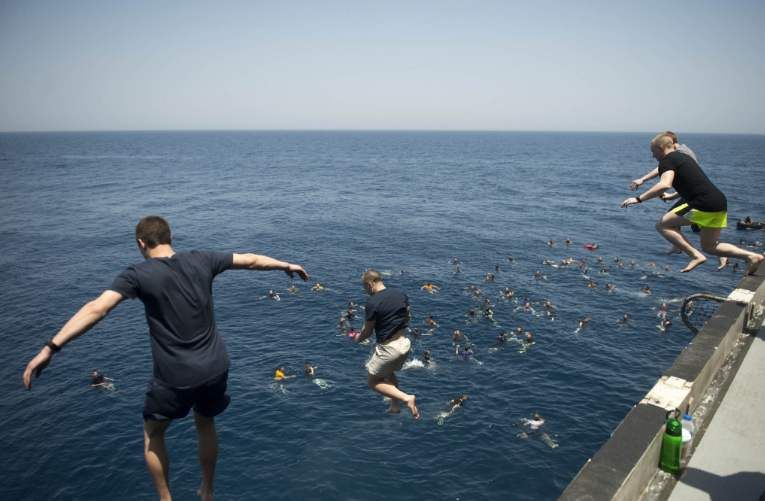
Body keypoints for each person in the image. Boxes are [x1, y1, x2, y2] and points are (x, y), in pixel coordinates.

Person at [22, 216, 308, 501]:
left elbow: (97, 308)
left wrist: (51, 347)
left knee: (154, 433)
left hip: (177, 374)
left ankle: (165, 499)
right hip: (216, 365)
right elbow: (251, 260)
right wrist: (286, 264)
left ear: (141, 243)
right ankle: (207, 490)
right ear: (170, 237)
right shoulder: (203, 259)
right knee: (206, 422)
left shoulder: (137, 274)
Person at [622, 133, 763, 274]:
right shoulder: (683, 157)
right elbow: (688, 181)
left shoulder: (667, 160)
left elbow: (665, 184)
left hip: (702, 204)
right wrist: (657, 188)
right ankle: (751, 256)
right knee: (710, 246)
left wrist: (639, 199)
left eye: (653, 152)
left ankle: (695, 256)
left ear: (660, 148)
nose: (653, 156)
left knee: (662, 225)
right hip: (719, 202)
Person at [353, 269, 420, 420]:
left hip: (389, 348)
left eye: (365, 288)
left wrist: (358, 337)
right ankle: (394, 405)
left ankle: (406, 398)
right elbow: (408, 314)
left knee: (373, 381)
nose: (366, 291)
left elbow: (367, 332)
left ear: (370, 284)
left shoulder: (372, 302)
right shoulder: (400, 293)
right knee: (388, 373)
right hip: (404, 343)